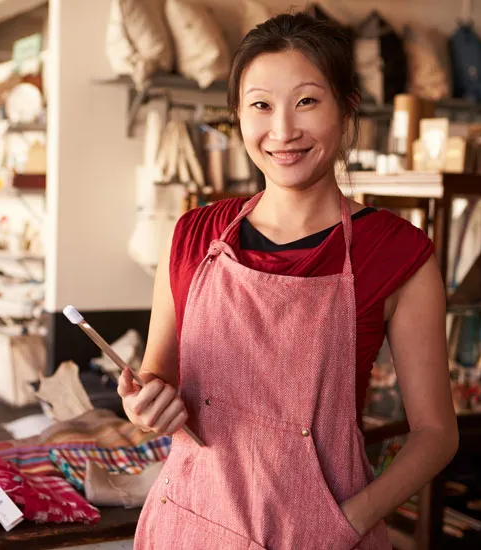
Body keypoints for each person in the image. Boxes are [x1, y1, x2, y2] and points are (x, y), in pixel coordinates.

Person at [119, 12, 458, 550]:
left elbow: (437, 434)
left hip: (322, 537)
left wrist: (342, 524)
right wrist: (143, 407)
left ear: (346, 108)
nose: (282, 131)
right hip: (190, 525)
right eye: (260, 105)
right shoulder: (192, 235)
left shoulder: (396, 253)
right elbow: (155, 381)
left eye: (306, 101)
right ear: (237, 115)